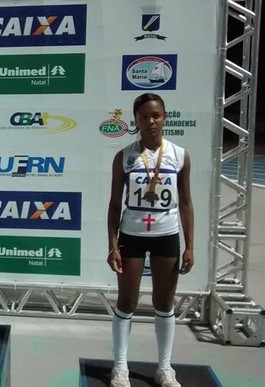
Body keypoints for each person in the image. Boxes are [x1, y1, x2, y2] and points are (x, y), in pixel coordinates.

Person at [106, 93, 194, 387]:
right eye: (144, 116)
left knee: (164, 303)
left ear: (165, 117)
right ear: (136, 121)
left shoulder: (180, 155)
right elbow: (114, 205)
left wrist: (190, 245)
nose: (151, 121)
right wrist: (112, 245)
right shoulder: (124, 157)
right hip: (131, 235)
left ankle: (165, 368)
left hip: (166, 235)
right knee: (127, 301)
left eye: (156, 115)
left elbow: (185, 203)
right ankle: (120, 367)